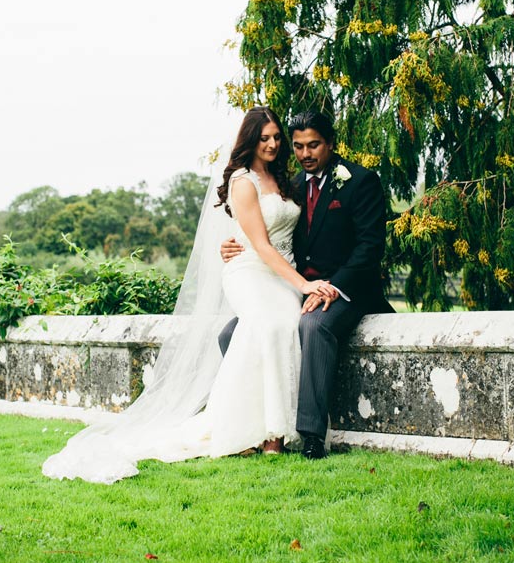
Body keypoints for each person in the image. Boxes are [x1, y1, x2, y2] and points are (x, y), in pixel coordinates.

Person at [42, 106, 334, 484]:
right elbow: (260, 245)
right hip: (249, 271)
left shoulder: (283, 179)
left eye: (277, 137)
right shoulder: (243, 181)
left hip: (281, 272)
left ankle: (261, 429)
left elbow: (290, 233)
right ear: (249, 139)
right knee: (271, 323)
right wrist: (303, 284)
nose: (274, 144)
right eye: (265, 138)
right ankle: (267, 434)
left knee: (267, 331)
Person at [220, 108, 394, 460]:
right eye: (298, 146)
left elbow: (369, 248)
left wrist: (334, 286)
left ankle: (310, 435)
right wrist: (232, 245)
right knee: (229, 333)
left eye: (313, 145)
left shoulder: (360, 181)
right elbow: (266, 234)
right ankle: (256, 422)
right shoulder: (292, 186)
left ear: (330, 144)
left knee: (312, 326)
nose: (305, 154)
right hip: (298, 286)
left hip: (348, 289)